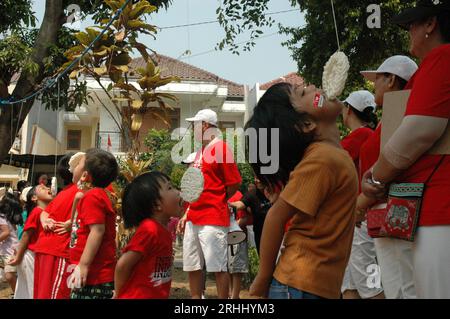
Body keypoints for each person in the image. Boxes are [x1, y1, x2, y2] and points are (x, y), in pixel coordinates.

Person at [362, 0, 450, 299]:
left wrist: (376, 178)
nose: (409, 30)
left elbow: (418, 133)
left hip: (439, 206)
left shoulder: (442, 58)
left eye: (413, 22)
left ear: (431, 24)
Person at [247, 83, 357, 299]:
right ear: (306, 124)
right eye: (304, 93)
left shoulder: (328, 156)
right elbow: (275, 216)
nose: (314, 87)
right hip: (301, 286)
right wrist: (263, 278)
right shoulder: (323, 158)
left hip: (310, 286)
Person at [177, 109, 242, 299]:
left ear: (205, 125)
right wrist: (186, 213)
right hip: (195, 216)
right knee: (192, 264)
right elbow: (196, 188)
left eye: (194, 125)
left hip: (212, 217)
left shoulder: (221, 147)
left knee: (218, 266)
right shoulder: (200, 152)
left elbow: (234, 182)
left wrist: (217, 199)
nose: (192, 129)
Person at [339, 90, 385, 299]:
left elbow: (332, 165)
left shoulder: (361, 135)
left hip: (361, 219)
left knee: (368, 283)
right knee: (351, 283)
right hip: (357, 218)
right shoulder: (368, 134)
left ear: (349, 110)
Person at [114, 172, 184, 299]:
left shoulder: (163, 230)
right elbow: (123, 264)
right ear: (156, 205)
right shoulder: (150, 229)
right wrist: (119, 294)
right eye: (169, 188)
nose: (177, 192)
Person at [68, 148, 119, 299]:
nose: (74, 167)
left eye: (79, 164)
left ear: (85, 175)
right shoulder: (95, 196)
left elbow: (97, 231)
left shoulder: (93, 197)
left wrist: (84, 265)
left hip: (95, 276)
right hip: (91, 273)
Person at [32, 152, 79, 299]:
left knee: (43, 293)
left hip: (46, 248)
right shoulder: (80, 191)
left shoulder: (64, 193)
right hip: (57, 249)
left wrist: (44, 219)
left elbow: (45, 212)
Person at [8, 184, 53, 299]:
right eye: (43, 188)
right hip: (30, 256)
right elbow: (26, 236)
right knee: (32, 290)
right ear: (34, 198)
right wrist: (18, 256)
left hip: (34, 256)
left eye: (47, 187)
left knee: (26, 290)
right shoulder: (37, 212)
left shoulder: (45, 211)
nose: (48, 188)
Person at [229, 177, 271, 256]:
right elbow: (240, 204)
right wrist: (228, 204)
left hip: (278, 232)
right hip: (260, 234)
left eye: (259, 177)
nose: (257, 180)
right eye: (255, 178)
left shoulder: (276, 191)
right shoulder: (252, 194)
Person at [227, 190, 250, 299]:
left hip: (237, 235)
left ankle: (235, 296)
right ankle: (231, 294)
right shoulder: (218, 194)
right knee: (228, 268)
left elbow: (244, 218)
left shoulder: (237, 195)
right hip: (223, 236)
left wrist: (232, 228)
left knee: (236, 268)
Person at [0, 193, 21, 295]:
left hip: (9, 251)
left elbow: (6, 233)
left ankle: (18, 294)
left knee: (9, 275)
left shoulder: (2, 216)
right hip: (11, 249)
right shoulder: (10, 217)